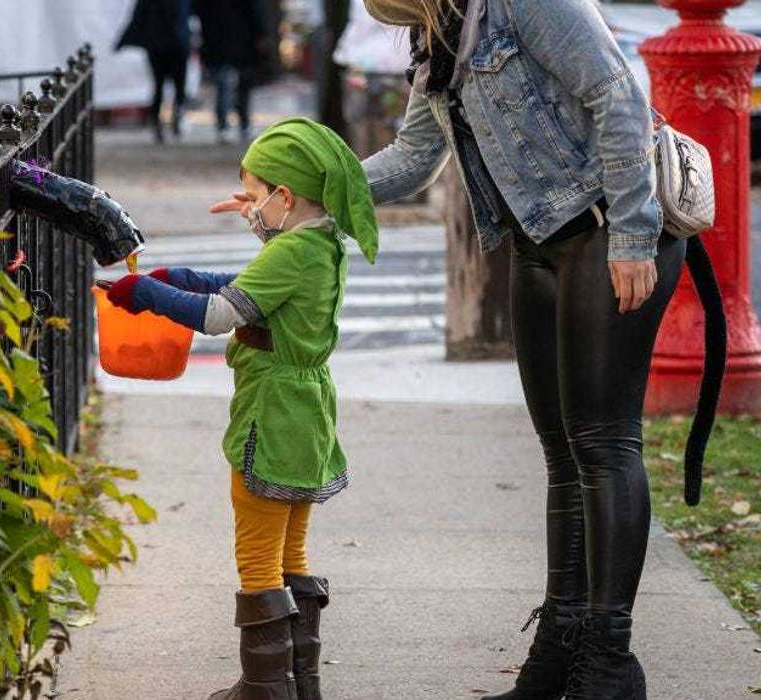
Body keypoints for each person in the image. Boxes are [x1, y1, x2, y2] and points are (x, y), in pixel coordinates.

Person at [356, 0, 686, 698]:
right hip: (537, 239)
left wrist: (631, 236)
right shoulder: (438, 29)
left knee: (602, 442)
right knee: (561, 453)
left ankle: (610, 664)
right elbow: (416, 156)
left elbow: (616, 94)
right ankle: (557, 654)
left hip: (607, 226)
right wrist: (307, 192)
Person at [103, 117, 379, 700]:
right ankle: (300, 683)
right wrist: (183, 276)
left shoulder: (294, 250)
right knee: (291, 549)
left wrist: (148, 294)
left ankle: (263, 688)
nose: (247, 207)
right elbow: (253, 285)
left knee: (257, 553)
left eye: (255, 196)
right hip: (309, 418)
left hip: (271, 416)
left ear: (284, 197)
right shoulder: (321, 243)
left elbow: (219, 315)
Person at [116, 0, 192, 142]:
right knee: (175, 85)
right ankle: (173, 118)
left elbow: (138, 17)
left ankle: (162, 121)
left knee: (161, 86)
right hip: (174, 45)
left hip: (160, 46)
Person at [193, 0, 266, 143]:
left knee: (227, 86)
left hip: (224, 43)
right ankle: (237, 125)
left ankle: (229, 126)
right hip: (235, 42)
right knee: (232, 86)